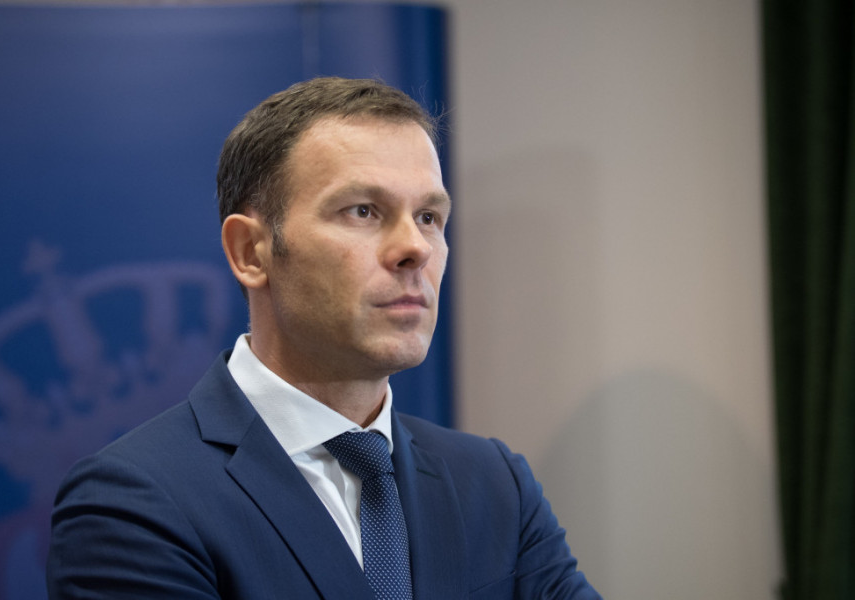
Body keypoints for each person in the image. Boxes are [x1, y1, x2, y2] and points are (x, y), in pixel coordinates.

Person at [46, 77, 602, 599]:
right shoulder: (131, 502)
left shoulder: (496, 484)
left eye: (429, 217)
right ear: (251, 252)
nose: (416, 248)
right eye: (363, 211)